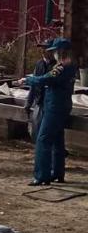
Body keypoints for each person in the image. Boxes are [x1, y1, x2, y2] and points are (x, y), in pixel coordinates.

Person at [25, 38, 77, 185]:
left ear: (60, 52)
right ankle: (57, 172)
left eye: (55, 51)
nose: (53, 53)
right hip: (62, 105)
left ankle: (42, 175)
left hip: (54, 106)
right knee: (57, 140)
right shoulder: (71, 65)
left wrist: (28, 80)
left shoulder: (62, 67)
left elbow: (45, 79)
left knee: (43, 139)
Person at [23, 39, 54, 141]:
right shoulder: (39, 64)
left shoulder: (56, 66)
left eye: (46, 48)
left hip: (50, 104)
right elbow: (34, 84)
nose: (43, 51)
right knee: (36, 130)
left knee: (48, 133)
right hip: (39, 102)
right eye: (42, 48)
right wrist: (29, 102)